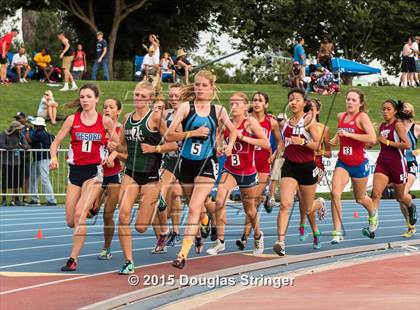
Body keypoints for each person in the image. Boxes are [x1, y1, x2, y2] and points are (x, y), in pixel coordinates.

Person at [166, 70, 237, 269]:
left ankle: (182, 254)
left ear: (212, 88)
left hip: (207, 162)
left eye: (204, 85)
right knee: (195, 206)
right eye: (197, 85)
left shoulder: (219, 110)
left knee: (193, 208)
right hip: (187, 163)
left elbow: (233, 131)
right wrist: (192, 133)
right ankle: (206, 217)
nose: (199, 89)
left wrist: (229, 146)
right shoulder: (185, 108)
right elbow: (169, 136)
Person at [108, 81, 177, 274]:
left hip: (151, 177)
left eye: (142, 96)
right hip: (130, 173)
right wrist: (115, 148)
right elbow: (123, 146)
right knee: (122, 215)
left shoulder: (156, 118)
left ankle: (158, 201)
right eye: (136, 95)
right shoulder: (128, 117)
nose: (138, 98)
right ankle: (129, 261)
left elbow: (173, 145)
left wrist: (155, 148)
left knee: (140, 227)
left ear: (150, 99)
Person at [49, 83, 118, 271]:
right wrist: (54, 157)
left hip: (94, 172)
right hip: (75, 172)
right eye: (82, 97)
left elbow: (117, 143)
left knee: (80, 213)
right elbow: (56, 142)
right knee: (71, 221)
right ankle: (93, 204)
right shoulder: (73, 119)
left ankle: (73, 259)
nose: (85, 100)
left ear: (96, 99)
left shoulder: (105, 121)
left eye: (88, 97)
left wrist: (111, 154)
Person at [207, 92, 270, 256]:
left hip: (248, 171)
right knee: (220, 200)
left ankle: (257, 235)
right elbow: (218, 139)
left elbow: (265, 143)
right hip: (230, 170)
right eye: (231, 103)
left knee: (249, 210)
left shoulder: (250, 122)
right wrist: (219, 148)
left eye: (237, 104)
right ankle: (220, 241)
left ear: (245, 105)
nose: (233, 107)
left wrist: (245, 138)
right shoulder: (226, 122)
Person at [272, 88, 322, 256]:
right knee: (285, 204)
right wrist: (275, 155)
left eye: (297, 99)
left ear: (304, 103)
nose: (293, 102)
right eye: (291, 99)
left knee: (307, 208)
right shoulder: (284, 122)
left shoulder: (309, 121)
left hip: (307, 167)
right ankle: (281, 242)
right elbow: (282, 143)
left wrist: (302, 141)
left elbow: (318, 146)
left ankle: (320, 203)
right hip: (290, 166)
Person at [329, 88, 377, 243]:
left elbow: (372, 138)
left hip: (359, 164)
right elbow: (341, 131)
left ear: (360, 103)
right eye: (348, 99)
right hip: (343, 162)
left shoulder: (362, 117)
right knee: (335, 193)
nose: (350, 102)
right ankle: (337, 231)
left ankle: (373, 213)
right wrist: (336, 139)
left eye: (353, 100)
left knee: (360, 198)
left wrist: (349, 135)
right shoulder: (341, 116)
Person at [236, 92, 282, 250]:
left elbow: (280, 142)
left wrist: (274, 155)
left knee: (252, 201)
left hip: (263, 164)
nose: (256, 103)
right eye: (254, 100)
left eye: (260, 100)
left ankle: (245, 237)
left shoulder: (272, 122)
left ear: (266, 105)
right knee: (248, 203)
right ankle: (266, 198)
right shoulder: (245, 118)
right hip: (246, 162)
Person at [370, 100, 416, 238]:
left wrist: (388, 142)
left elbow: (406, 145)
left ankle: (411, 206)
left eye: (388, 109)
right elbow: (381, 141)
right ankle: (372, 225)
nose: (385, 111)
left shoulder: (398, 125)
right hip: (383, 162)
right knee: (376, 194)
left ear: (395, 111)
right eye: (383, 109)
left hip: (397, 164)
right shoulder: (383, 125)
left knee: (400, 197)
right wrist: (373, 143)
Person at [95, 98, 126, 260]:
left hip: (113, 175)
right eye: (105, 107)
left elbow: (127, 155)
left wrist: (115, 155)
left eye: (111, 107)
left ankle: (106, 248)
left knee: (107, 214)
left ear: (118, 111)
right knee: (89, 211)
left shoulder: (122, 130)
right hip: (96, 175)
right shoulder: (97, 127)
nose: (107, 109)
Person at [298, 98, 331, 241]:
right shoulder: (300, 125)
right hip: (300, 164)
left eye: (312, 108)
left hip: (317, 166)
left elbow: (329, 153)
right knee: (302, 199)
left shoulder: (324, 128)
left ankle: (318, 205)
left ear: (318, 111)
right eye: (307, 108)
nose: (309, 111)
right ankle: (312, 229)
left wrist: (318, 151)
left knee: (304, 198)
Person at [26, 116, 56, 206]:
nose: (34, 125)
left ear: (40, 125)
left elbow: (29, 139)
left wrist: (28, 130)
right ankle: (35, 199)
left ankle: (51, 200)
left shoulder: (40, 133)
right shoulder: (40, 132)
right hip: (38, 158)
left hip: (43, 158)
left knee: (44, 179)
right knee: (33, 178)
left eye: (36, 124)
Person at [400, 102, 419, 237]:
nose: (405, 110)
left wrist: (418, 150)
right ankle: (410, 226)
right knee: (400, 199)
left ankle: (412, 207)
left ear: (411, 111)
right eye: (403, 108)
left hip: (411, 163)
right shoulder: (396, 126)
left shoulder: (416, 128)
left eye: (407, 108)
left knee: (403, 193)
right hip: (398, 165)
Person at [0, 120, 30, 206]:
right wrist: (12, 147)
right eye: (19, 128)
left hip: (17, 162)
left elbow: (26, 144)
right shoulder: (4, 134)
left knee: (17, 181)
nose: (20, 130)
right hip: (6, 161)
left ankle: (17, 199)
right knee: (5, 181)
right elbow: (1, 145)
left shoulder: (20, 135)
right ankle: (4, 199)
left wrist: (25, 147)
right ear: (14, 129)